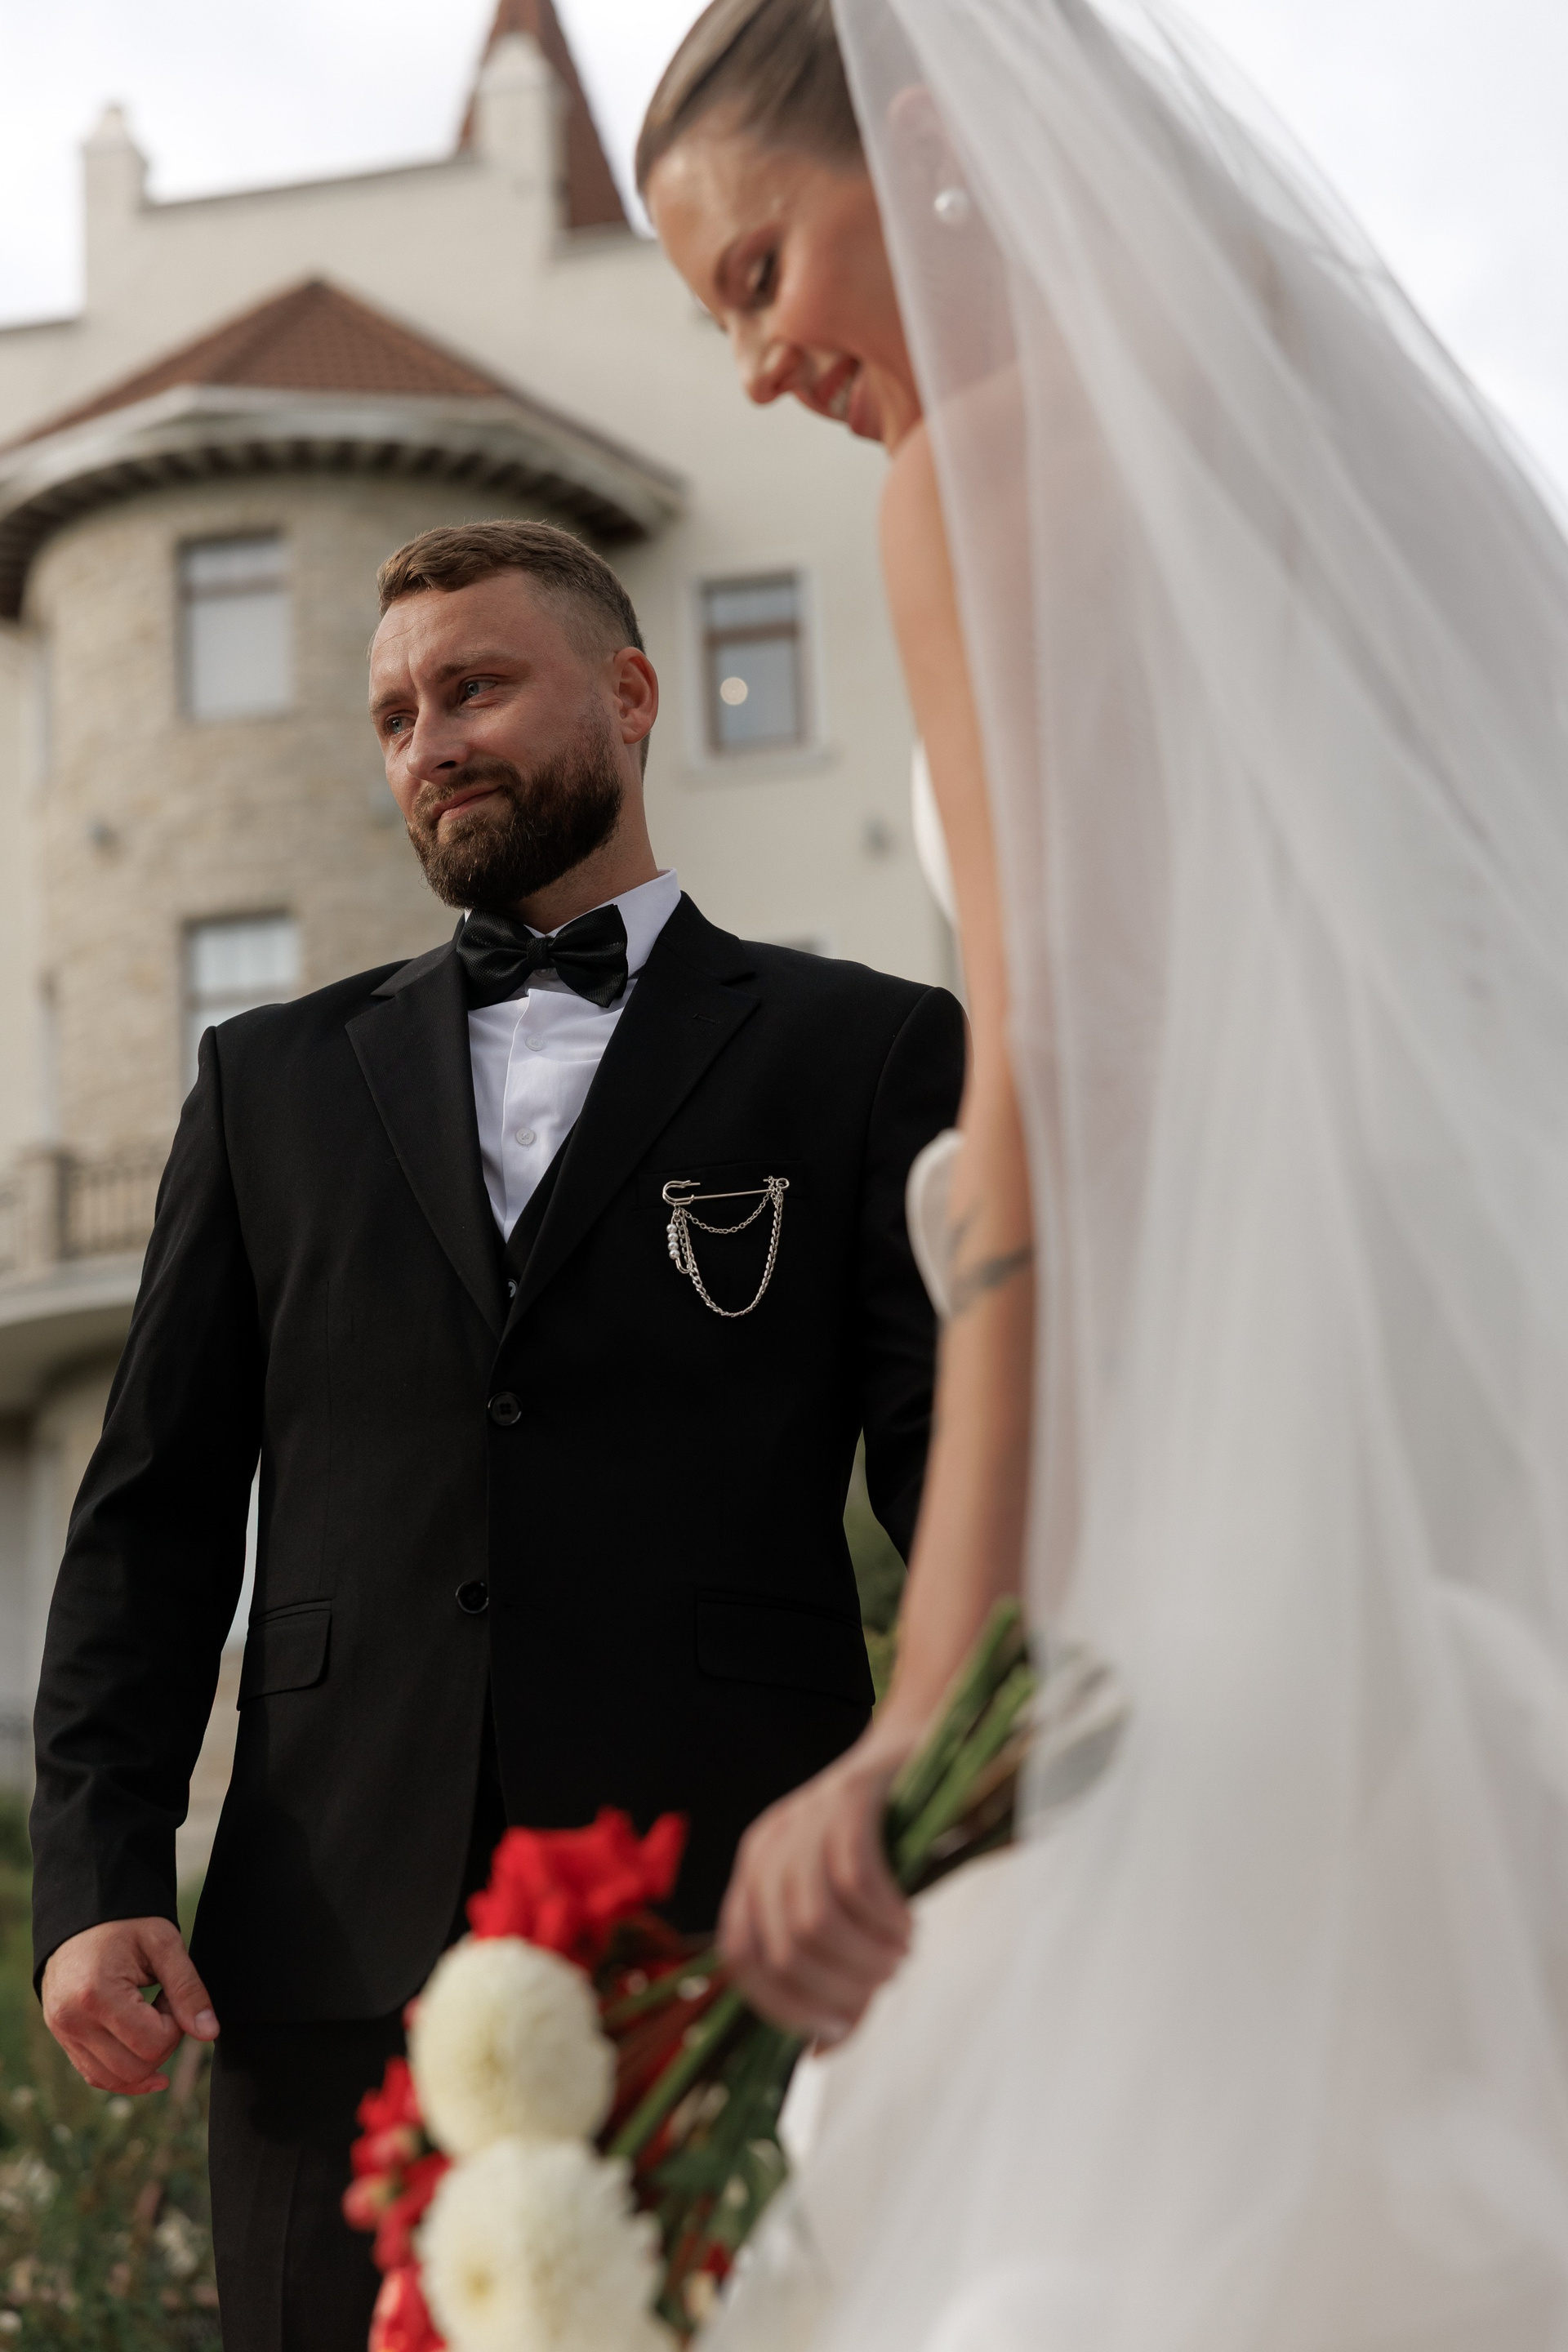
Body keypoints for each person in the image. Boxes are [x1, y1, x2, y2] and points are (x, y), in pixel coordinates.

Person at [641, 3, 1568, 2348]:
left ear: (929, 146)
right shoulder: (1340, 466)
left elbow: (1055, 1073)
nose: (756, 370)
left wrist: (941, 1684)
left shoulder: (978, 484)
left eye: (758, 273)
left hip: (1240, 1475)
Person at [28, 518, 964, 2350]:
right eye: (394, 716)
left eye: (474, 689)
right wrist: (96, 1877)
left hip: (733, 1919)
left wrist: (974, 1823)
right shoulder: (265, 1084)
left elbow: (950, 1490)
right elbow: (151, 1515)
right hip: (325, 1952)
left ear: (630, 696)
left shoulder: (861, 1054)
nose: (429, 743)